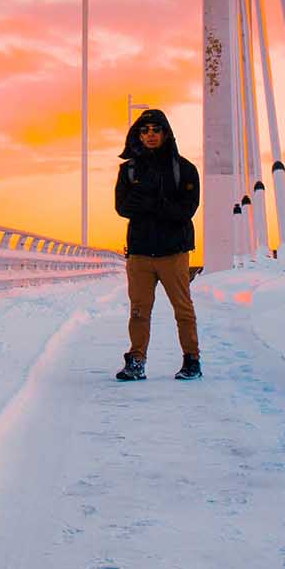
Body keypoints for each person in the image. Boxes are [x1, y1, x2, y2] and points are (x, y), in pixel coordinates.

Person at [113, 109, 201, 381]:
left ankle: (191, 360)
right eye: (145, 129)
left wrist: (153, 204)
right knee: (139, 310)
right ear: (138, 135)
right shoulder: (128, 170)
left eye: (156, 129)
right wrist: (154, 202)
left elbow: (187, 209)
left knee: (182, 309)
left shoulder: (184, 169)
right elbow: (122, 207)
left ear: (166, 133)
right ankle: (136, 361)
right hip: (140, 252)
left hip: (173, 252)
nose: (150, 134)